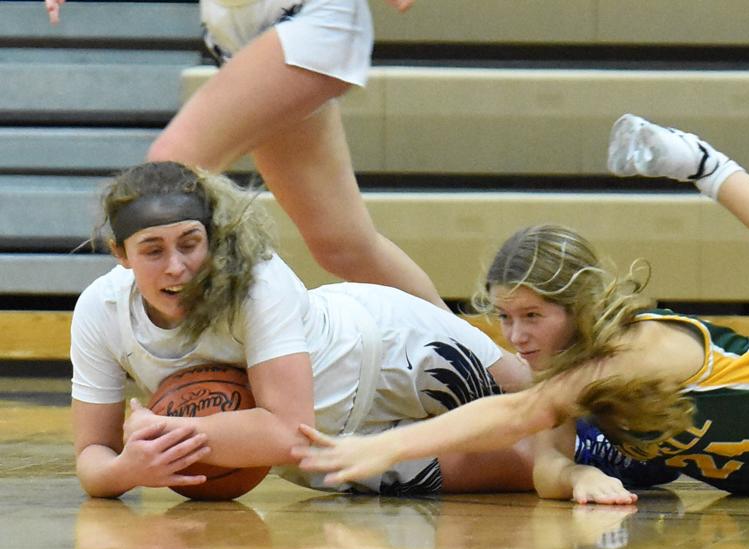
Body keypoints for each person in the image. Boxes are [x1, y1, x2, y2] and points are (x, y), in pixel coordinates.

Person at [293, 114, 749, 504]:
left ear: (578, 304)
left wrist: (387, 448)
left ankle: (706, 166)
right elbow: (545, 462)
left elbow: (516, 414)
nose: (516, 337)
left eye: (533, 316)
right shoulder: (561, 374)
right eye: (507, 318)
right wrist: (575, 478)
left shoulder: (625, 349)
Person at [69, 160, 534, 499]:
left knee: (549, 403)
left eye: (191, 244)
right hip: (329, 453)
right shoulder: (99, 311)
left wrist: (170, 431)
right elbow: (94, 453)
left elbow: (287, 429)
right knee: (534, 472)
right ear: (120, 253)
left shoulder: (255, 279)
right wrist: (127, 469)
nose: (177, 267)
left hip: (395, 348)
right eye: (153, 251)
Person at [44, 0, 445, 309]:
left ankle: (187, 357)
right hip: (240, 34)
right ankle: (491, 372)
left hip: (313, 18)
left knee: (169, 167)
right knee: (343, 246)